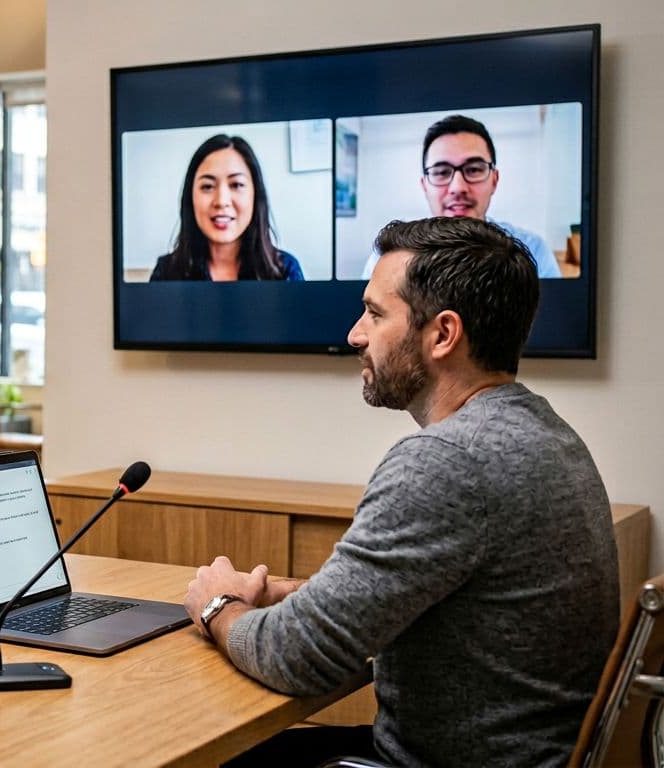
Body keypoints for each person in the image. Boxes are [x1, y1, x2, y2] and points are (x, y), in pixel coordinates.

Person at [186, 217, 617, 766]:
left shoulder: (447, 461)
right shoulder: (545, 432)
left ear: (442, 334)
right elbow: (441, 599)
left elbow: (295, 655)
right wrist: (297, 597)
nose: (355, 335)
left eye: (374, 313)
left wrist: (217, 604)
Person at [361, 114, 562, 279]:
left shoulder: (533, 252)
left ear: (494, 180)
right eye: (441, 172)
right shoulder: (388, 256)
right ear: (424, 185)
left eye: (473, 169)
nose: (457, 187)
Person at [150, 134, 304, 282]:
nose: (222, 201)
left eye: (236, 185)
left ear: (255, 195)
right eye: (207, 186)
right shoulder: (166, 272)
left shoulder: (285, 271)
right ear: (190, 197)